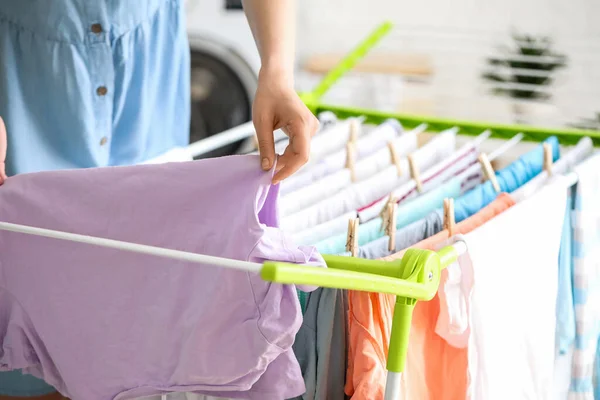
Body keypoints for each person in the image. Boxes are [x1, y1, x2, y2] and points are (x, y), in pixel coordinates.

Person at [0, 0, 317, 398]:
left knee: (139, 304)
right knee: (23, 279)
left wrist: (277, 70)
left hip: (145, 72)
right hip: (21, 76)